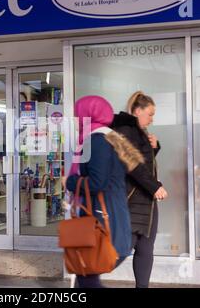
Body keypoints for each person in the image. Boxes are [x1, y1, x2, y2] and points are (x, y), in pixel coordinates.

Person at [64, 95, 145, 288]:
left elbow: (97, 182)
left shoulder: (97, 141)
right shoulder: (109, 138)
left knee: (87, 273)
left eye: (77, 115)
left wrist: (70, 181)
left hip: (100, 218)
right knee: (85, 272)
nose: (75, 120)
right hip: (106, 213)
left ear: (88, 115)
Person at [111, 91, 168, 288]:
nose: (152, 119)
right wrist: (155, 187)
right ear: (137, 111)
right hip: (131, 200)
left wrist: (154, 148)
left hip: (145, 202)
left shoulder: (138, 132)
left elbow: (143, 162)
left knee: (145, 248)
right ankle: (86, 275)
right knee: (121, 249)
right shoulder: (126, 130)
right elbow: (131, 164)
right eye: (150, 114)